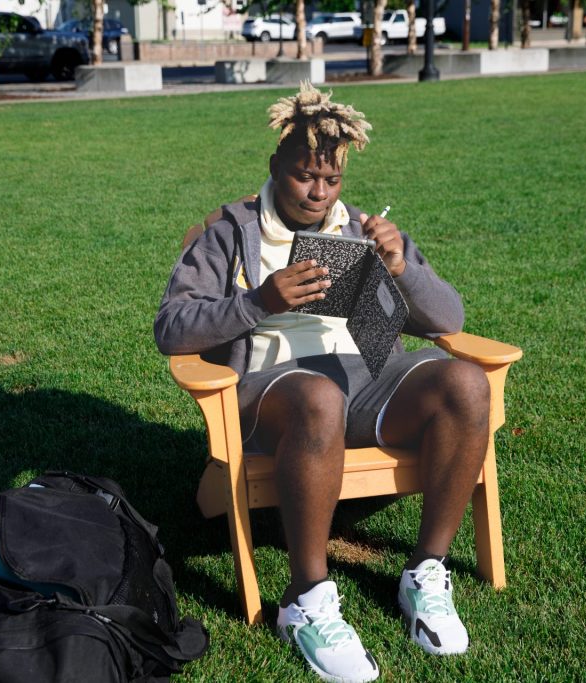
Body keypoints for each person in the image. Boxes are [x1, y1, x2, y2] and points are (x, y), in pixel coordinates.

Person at [154, 82, 491, 683]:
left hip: (370, 378)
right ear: (275, 167)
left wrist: (402, 268)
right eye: (304, 176)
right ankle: (306, 597)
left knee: (465, 385)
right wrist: (257, 301)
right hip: (273, 390)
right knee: (317, 396)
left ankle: (426, 571)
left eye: (331, 180)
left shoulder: (362, 229)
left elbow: (448, 320)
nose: (318, 192)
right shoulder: (231, 233)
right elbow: (172, 328)